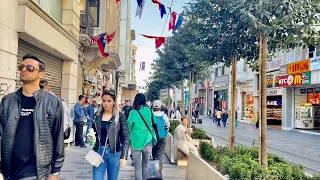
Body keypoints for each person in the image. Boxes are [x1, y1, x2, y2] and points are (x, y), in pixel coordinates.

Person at [0, 54, 64, 180]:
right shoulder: (7, 101)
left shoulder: (52, 102)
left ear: (41, 74)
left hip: (37, 173)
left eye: (29, 68)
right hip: (9, 173)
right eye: (21, 66)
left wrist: (55, 172)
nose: (23, 70)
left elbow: (58, 137)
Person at [90, 90, 129, 180]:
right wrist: (90, 137)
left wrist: (124, 156)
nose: (106, 104)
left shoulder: (120, 116)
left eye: (109, 101)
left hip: (114, 153)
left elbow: (125, 136)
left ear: (114, 101)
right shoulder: (97, 115)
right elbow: (93, 132)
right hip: (99, 151)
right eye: (104, 101)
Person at [128, 93, 157, 180]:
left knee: (137, 168)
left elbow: (129, 126)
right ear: (144, 100)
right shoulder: (150, 111)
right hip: (148, 141)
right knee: (146, 165)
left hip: (135, 141)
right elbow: (154, 124)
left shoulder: (133, 112)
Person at [152, 100, 170, 170]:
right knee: (159, 155)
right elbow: (167, 126)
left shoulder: (151, 115)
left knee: (153, 154)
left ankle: (153, 171)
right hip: (162, 137)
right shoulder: (164, 116)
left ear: (153, 107)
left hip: (153, 138)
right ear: (160, 107)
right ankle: (159, 172)